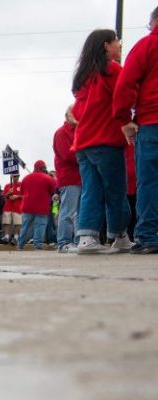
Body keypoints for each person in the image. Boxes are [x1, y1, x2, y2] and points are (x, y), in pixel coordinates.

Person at [71, 29, 132, 254]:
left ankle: (87, 237)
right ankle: (119, 235)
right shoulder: (112, 70)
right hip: (105, 140)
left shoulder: (84, 75)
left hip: (83, 143)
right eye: (116, 41)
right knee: (115, 190)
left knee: (91, 189)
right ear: (106, 46)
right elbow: (128, 92)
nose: (119, 45)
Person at [113, 6, 158, 254]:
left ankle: (149, 236)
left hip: (151, 122)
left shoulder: (146, 45)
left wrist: (124, 120)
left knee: (149, 182)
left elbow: (126, 83)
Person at [53, 106, 82, 253]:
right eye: (74, 111)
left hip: (81, 177)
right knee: (68, 212)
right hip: (69, 178)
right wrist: (88, 156)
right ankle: (64, 243)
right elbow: (67, 155)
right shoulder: (61, 133)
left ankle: (78, 241)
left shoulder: (80, 130)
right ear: (67, 115)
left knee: (79, 212)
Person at [17, 160, 56, 250]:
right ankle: (37, 245)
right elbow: (54, 192)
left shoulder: (25, 178)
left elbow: (21, 192)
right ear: (43, 168)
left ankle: (20, 244)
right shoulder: (48, 178)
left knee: (25, 226)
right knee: (40, 225)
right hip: (42, 207)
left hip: (27, 206)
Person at [1, 174, 23, 244]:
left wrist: (17, 196)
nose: (15, 178)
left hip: (18, 207)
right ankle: (7, 237)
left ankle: (16, 238)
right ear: (11, 177)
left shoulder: (22, 185)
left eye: (17, 176)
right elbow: (4, 196)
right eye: (14, 176)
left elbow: (26, 195)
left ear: (19, 177)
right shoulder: (7, 185)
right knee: (6, 222)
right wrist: (8, 193)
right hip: (8, 207)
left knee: (18, 223)